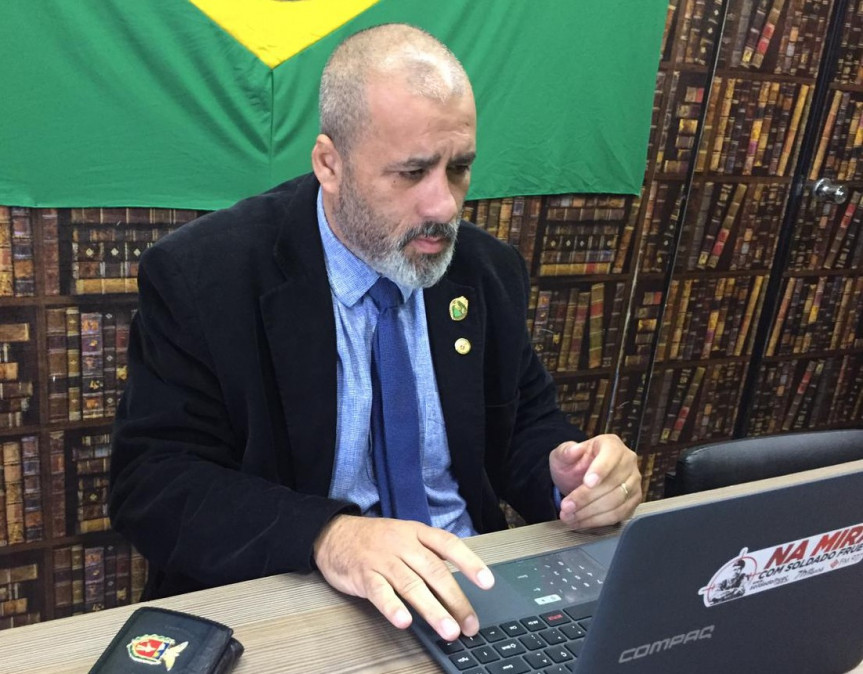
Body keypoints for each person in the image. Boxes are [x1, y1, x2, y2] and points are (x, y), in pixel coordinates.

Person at [108, 23, 641, 643]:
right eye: (412, 173)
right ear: (330, 164)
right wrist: (328, 535)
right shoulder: (207, 276)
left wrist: (569, 476)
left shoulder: (485, 270)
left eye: (459, 168)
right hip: (300, 598)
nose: (444, 205)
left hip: (467, 589)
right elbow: (154, 481)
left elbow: (522, 423)